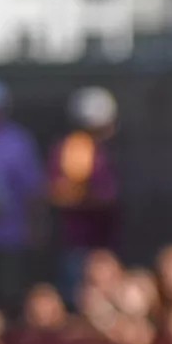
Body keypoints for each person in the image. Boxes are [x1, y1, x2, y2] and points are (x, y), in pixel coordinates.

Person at [48, 86, 120, 297]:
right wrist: (97, 198)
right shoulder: (78, 147)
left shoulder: (101, 148)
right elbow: (62, 192)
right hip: (83, 240)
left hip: (101, 238)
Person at [0, 77, 44, 319]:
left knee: (7, 298)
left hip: (9, 236)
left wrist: (37, 225)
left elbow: (34, 190)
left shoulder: (17, 142)